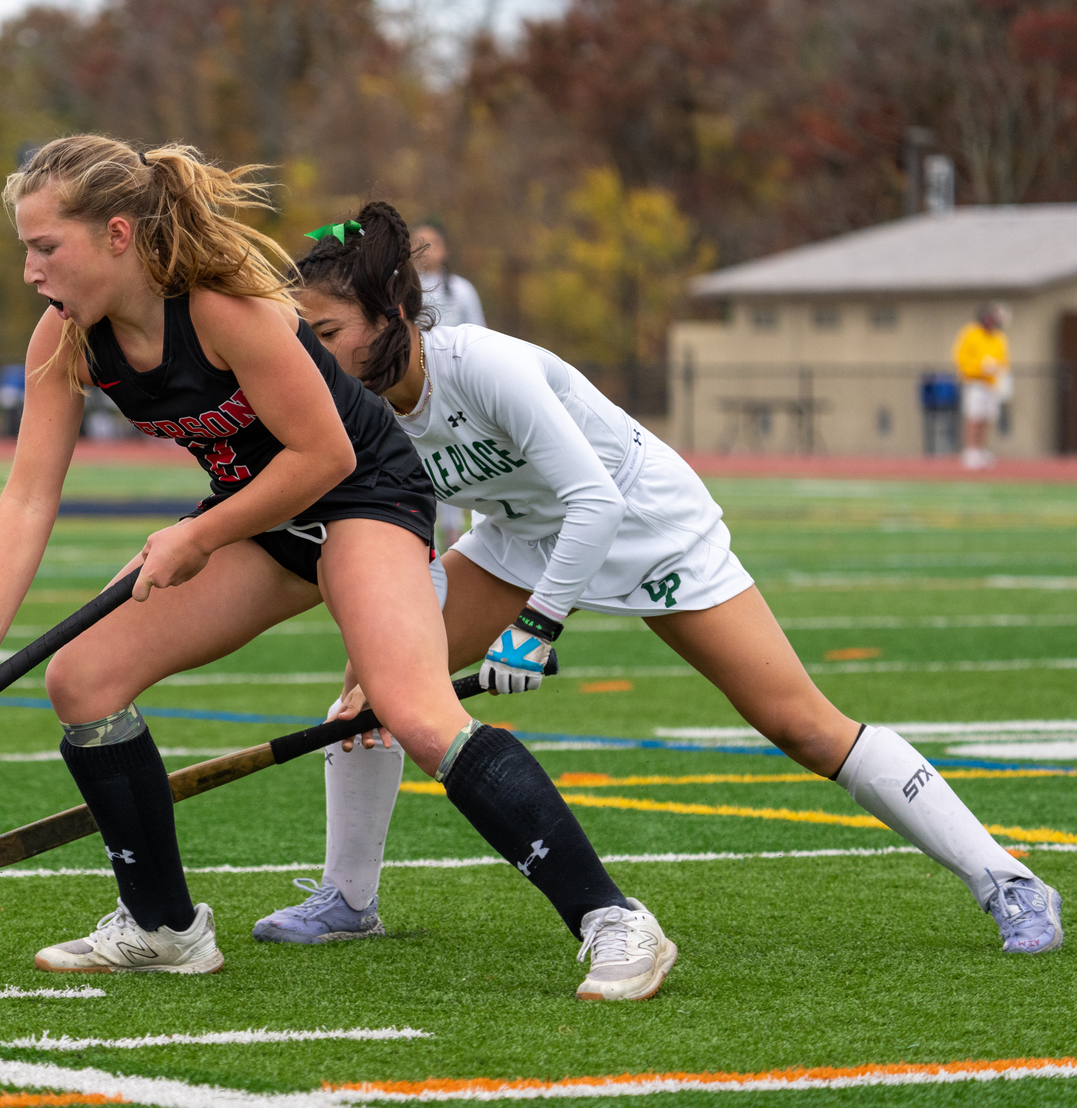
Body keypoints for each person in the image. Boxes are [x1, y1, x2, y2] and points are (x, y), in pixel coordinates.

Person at [0, 140, 674, 1000]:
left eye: (45, 246)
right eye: (25, 247)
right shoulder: (64, 338)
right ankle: (164, 928)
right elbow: (26, 498)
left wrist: (198, 538)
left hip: (362, 493)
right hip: (266, 513)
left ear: (117, 234)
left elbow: (325, 453)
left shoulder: (223, 309)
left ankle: (614, 920)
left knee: (414, 711)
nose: (29, 269)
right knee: (83, 681)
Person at [256, 200, 1062, 959]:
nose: (311, 358)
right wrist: (385, 659)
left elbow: (595, 499)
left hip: (644, 522)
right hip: (521, 536)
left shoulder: (485, 366)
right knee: (373, 692)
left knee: (804, 727)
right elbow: (410, 542)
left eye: (324, 333)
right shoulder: (358, 413)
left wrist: (536, 628)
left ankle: (1010, 882)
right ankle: (347, 900)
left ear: (392, 316)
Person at [411, 221, 485, 550]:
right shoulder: (401, 289)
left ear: (445, 249)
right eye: (418, 243)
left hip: (453, 396)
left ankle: (456, 546)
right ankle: (422, 544)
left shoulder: (462, 290)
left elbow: (479, 340)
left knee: (453, 465)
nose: (425, 250)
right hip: (413, 397)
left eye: (432, 243)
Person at [953, 304, 1011, 469]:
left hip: (991, 384)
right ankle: (970, 451)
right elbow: (961, 358)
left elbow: (1004, 361)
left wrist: (996, 368)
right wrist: (981, 367)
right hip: (975, 382)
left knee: (986, 417)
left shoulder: (999, 337)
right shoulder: (970, 333)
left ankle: (980, 450)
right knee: (974, 417)